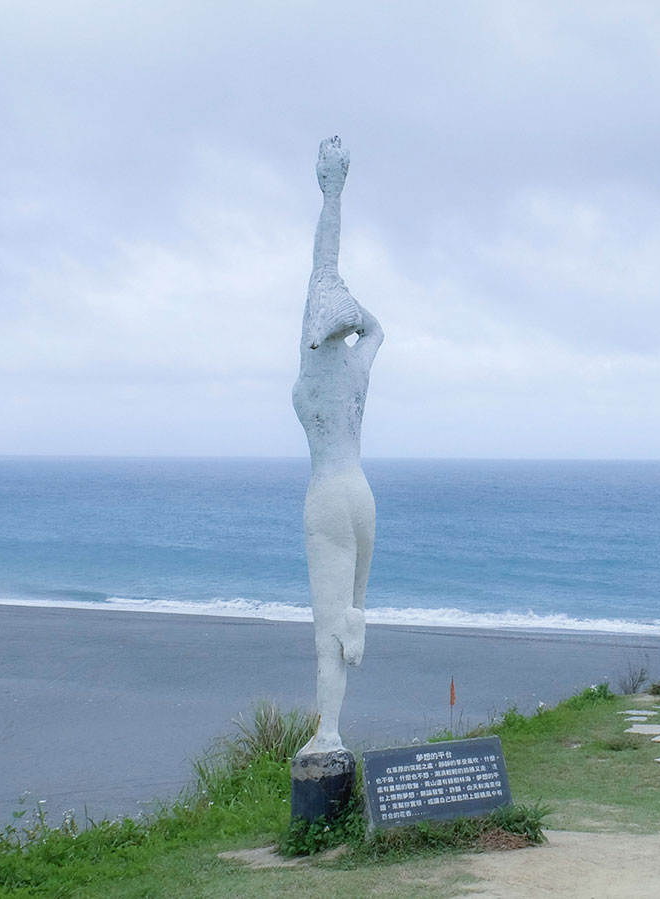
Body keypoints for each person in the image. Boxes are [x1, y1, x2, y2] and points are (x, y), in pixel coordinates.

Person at [292, 136, 383, 756]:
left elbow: (323, 261)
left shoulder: (315, 355)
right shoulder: (359, 365)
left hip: (328, 498)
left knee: (329, 631)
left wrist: (331, 192)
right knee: (350, 609)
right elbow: (378, 328)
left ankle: (328, 733)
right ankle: (355, 626)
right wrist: (354, 314)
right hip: (363, 496)